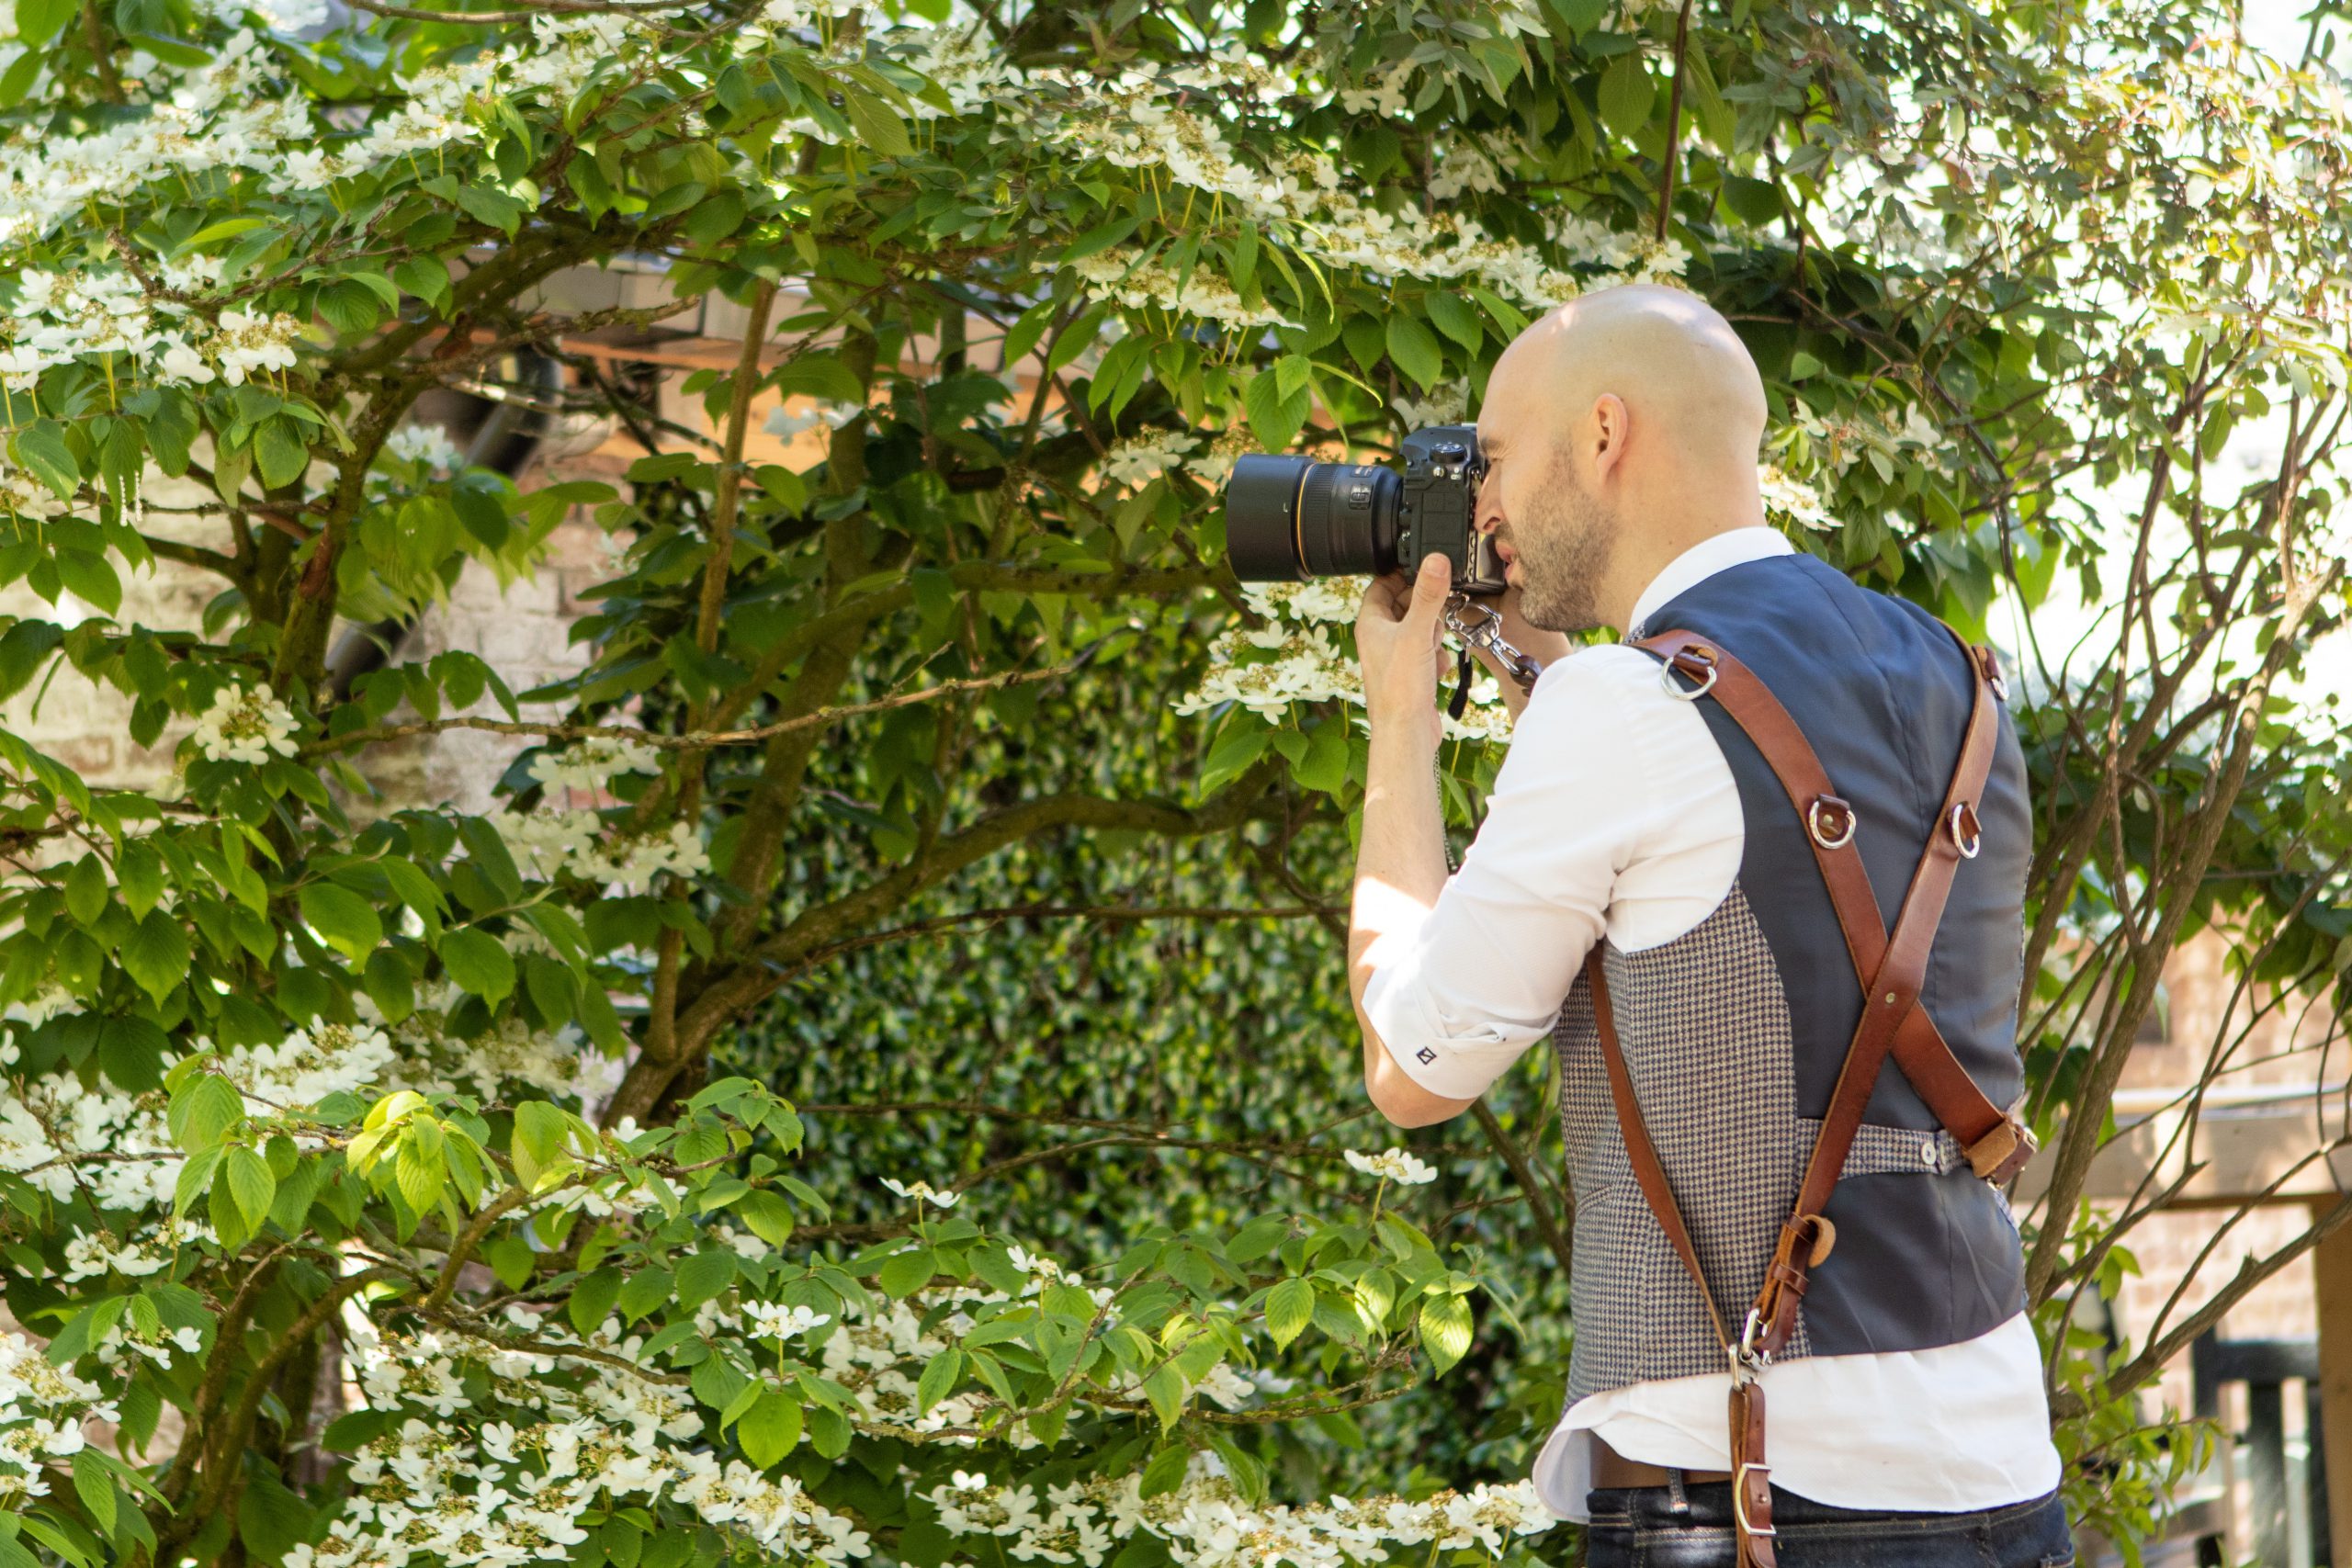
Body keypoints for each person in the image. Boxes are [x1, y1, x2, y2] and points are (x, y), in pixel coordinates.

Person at [1346, 283, 2075, 1568]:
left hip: (1752, 1498)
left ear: (1606, 434)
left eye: (1498, 460)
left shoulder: (1626, 710)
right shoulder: (1960, 681)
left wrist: (1399, 717)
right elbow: (1729, 849)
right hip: (2004, 1481)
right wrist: (1549, 680)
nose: (1489, 511)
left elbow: (1415, 1065)